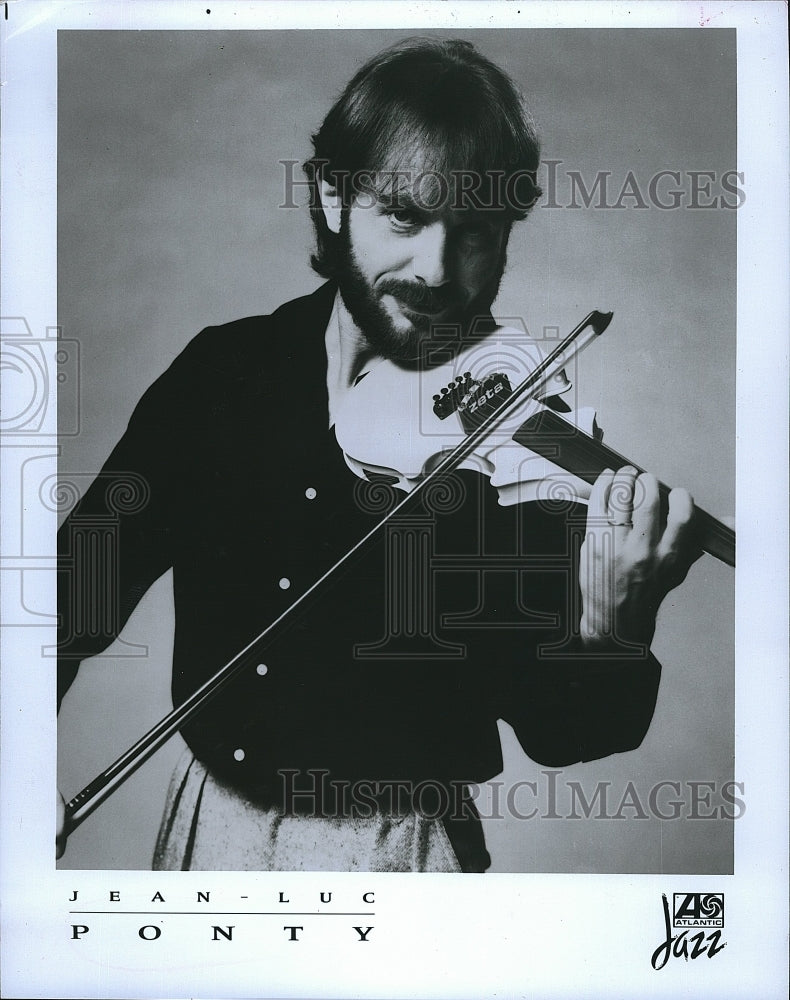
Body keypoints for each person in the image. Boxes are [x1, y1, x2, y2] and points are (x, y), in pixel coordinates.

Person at [56, 38, 700, 871]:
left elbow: (565, 729)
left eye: (473, 231)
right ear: (332, 194)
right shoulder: (223, 373)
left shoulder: (514, 455)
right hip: (204, 833)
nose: (436, 269)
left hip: (402, 853)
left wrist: (615, 621)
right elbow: (76, 589)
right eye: (405, 215)